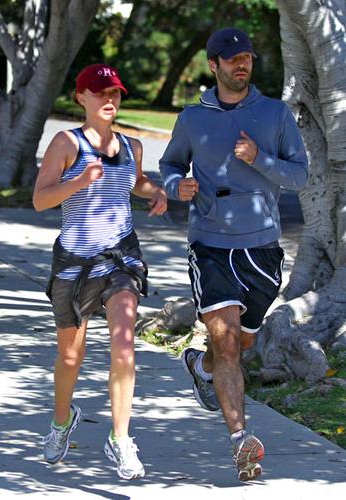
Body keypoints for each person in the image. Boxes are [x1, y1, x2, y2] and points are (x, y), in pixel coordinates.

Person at [159, 28, 308, 481]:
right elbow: (169, 165)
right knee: (226, 341)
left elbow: (299, 176)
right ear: (214, 65)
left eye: (247, 57)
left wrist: (260, 158)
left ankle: (201, 367)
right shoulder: (191, 118)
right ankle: (241, 440)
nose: (241, 64)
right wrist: (175, 186)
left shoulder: (275, 113)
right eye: (232, 58)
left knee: (241, 343)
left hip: (261, 247)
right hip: (209, 244)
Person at [33, 63, 167, 480]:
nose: (109, 100)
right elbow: (40, 200)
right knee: (71, 355)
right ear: (82, 98)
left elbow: (135, 180)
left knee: (124, 343)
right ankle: (61, 422)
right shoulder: (66, 143)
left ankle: (121, 439)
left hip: (120, 258)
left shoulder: (131, 146)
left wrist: (157, 191)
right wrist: (79, 181)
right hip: (75, 263)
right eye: (100, 92)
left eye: (115, 94)